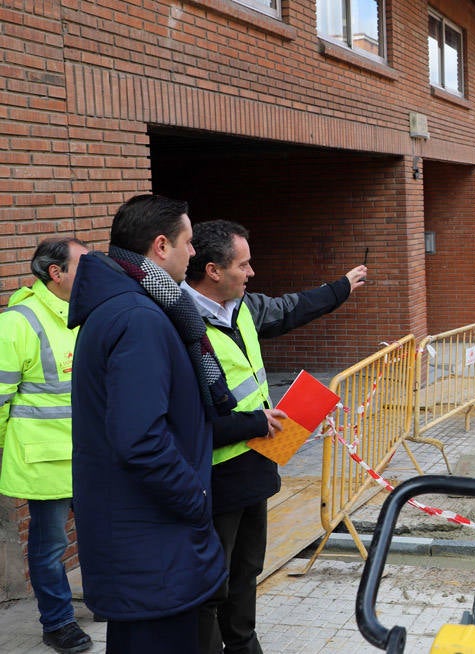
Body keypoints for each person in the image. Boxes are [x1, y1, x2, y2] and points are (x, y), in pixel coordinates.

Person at [182, 220, 366, 654]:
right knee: (212, 580)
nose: (251, 273)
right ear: (212, 269)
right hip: (213, 474)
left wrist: (341, 287)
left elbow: (291, 307)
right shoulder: (178, 322)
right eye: (243, 265)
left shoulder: (243, 306)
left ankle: (243, 644)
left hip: (257, 462)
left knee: (246, 569)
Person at [67, 194, 232, 653]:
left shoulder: (135, 306)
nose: (194, 252)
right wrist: (195, 497)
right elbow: (139, 439)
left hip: (143, 539)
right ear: (161, 246)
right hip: (150, 541)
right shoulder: (139, 317)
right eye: (188, 241)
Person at [0, 238, 92, 654]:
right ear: (56, 273)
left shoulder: (84, 314)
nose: (93, 274)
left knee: (98, 535)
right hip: (45, 460)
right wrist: (10, 449)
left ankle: (104, 599)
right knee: (50, 546)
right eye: (83, 266)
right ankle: (57, 623)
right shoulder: (18, 322)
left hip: (90, 455)